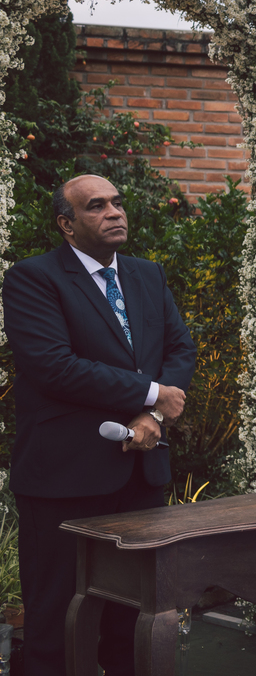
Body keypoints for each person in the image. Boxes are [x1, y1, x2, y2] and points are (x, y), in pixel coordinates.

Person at [2, 174, 196, 676]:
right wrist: (151, 394)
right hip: (65, 480)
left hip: (141, 474)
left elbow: (179, 349)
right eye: (96, 206)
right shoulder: (33, 278)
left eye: (116, 202)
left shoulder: (146, 275)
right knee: (56, 617)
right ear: (67, 225)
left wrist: (151, 416)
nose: (114, 212)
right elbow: (53, 365)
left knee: (132, 617)